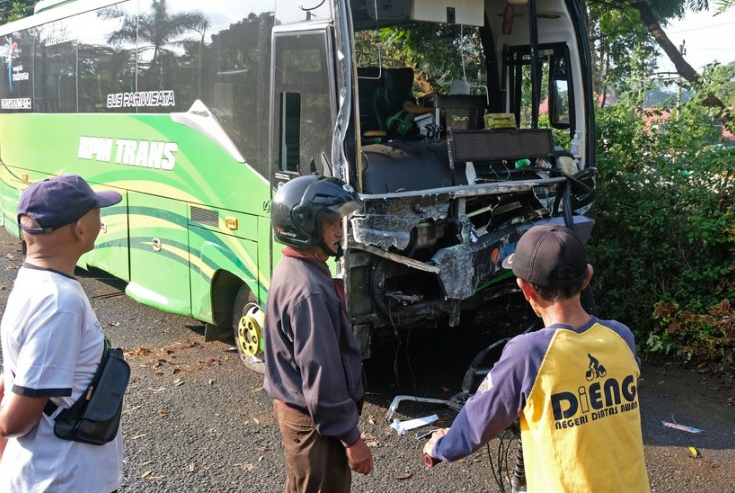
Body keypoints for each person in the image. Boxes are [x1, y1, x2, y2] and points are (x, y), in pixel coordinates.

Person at [423, 224, 650, 492]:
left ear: (525, 289)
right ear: (587, 277)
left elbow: (477, 420)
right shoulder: (621, 336)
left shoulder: (529, 354)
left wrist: (440, 447)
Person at [0, 174, 124, 493]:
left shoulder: (31, 281)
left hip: (41, 477)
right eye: (97, 213)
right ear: (80, 229)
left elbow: (1, 390)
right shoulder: (57, 302)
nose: (100, 221)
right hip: (61, 480)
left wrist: (3, 472)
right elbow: (13, 421)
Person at [263, 175, 373, 492]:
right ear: (305, 227)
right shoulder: (308, 291)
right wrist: (352, 439)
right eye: (331, 222)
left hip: (305, 417)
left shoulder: (296, 269)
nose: (340, 231)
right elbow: (322, 375)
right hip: (314, 425)